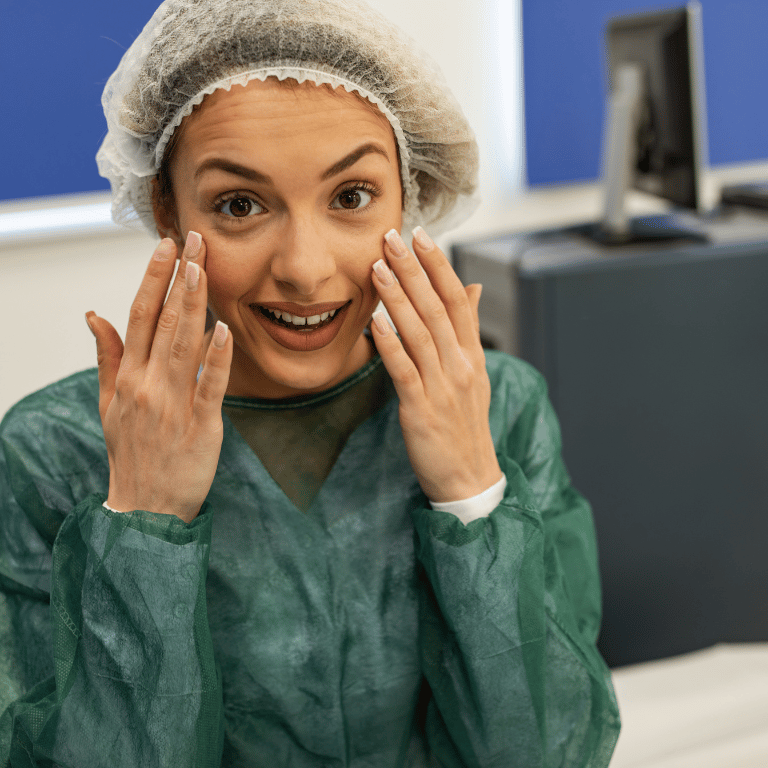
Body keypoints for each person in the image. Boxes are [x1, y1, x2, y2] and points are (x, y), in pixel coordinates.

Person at [0, 0, 620, 765]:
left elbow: (550, 752)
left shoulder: (504, 409)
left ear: (411, 194)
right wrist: (143, 524)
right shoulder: (51, 455)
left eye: (352, 197)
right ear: (167, 210)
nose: (304, 267)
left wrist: (470, 491)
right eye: (238, 205)